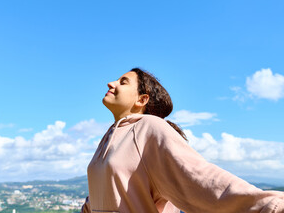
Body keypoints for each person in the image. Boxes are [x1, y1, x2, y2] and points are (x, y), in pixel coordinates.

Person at [81, 68, 284, 213]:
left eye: (123, 82)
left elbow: (200, 179)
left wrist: (271, 206)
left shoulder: (149, 127)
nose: (111, 83)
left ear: (141, 99)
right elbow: (99, 199)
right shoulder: (108, 137)